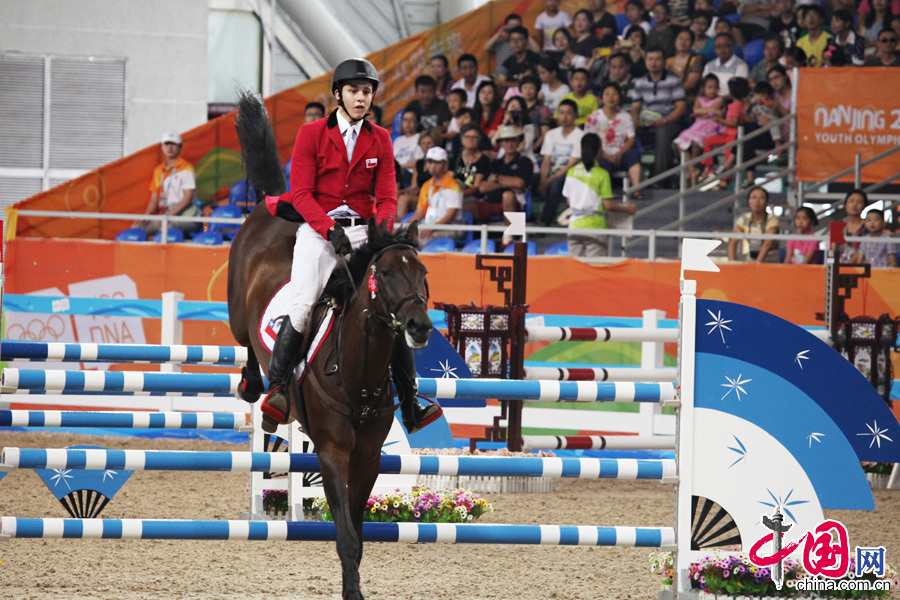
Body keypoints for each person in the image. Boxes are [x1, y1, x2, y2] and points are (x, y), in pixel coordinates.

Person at [261, 58, 439, 433]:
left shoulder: (381, 138)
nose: (362, 98)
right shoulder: (311, 133)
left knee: (388, 313)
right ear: (338, 94)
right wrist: (328, 229)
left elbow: (388, 196)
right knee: (304, 303)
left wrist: (383, 233)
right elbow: (301, 193)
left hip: (363, 232)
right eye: (355, 91)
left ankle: (410, 402)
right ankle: (278, 390)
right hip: (317, 229)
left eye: (367, 92)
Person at [563, 133, 636, 257]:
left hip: (574, 226)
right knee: (595, 269)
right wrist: (627, 209)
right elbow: (608, 205)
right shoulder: (602, 174)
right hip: (595, 227)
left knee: (575, 269)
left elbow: (569, 201)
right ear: (599, 151)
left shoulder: (571, 172)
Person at [629, 47, 688, 181]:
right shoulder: (640, 82)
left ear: (664, 62)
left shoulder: (674, 80)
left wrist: (665, 120)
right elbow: (635, 107)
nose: (653, 63)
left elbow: (681, 107)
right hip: (646, 123)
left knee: (662, 131)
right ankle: (635, 178)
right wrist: (635, 121)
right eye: (650, 59)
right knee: (627, 131)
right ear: (645, 61)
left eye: (657, 59)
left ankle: (660, 178)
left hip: (670, 122)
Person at [584, 83, 644, 197]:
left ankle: (637, 189)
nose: (611, 97)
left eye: (614, 94)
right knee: (601, 164)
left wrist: (620, 153)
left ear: (619, 97)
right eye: (607, 94)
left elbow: (631, 139)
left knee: (633, 155)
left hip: (621, 153)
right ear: (602, 97)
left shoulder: (626, 116)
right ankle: (606, 194)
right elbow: (589, 141)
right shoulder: (594, 117)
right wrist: (606, 155)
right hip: (601, 154)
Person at [140, 132, 201, 237]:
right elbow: (154, 199)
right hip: (166, 214)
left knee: (166, 228)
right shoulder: (158, 170)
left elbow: (188, 198)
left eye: (173, 144)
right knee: (137, 228)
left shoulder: (187, 168)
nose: (170, 147)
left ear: (180, 147)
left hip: (186, 215)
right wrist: (147, 216)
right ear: (162, 147)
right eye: (167, 144)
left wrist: (169, 216)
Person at [474, 126, 534, 231]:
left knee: (508, 195)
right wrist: (507, 183)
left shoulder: (525, 162)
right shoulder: (494, 163)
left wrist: (496, 178)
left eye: (513, 140)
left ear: (518, 141)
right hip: (490, 201)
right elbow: (482, 187)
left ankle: (510, 236)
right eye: (506, 140)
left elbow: (519, 184)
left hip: (515, 203)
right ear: (501, 143)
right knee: (464, 206)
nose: (510, 144)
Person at [698, 76, 751, 188]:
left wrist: (720, 120)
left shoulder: (737, 105)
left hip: (734, 135)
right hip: (727, 133)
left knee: (728, 156)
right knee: (708, 141)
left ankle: (724, 181)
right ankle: (709, 168)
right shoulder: (735, 103)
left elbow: (734, 123)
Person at [538, 99, 584, 225]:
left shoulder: (580, 136)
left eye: (568, 113)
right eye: (561, 113)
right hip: (552, 172)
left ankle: (545, 221)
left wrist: (548, 181)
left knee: (555, 184)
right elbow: (546, 160)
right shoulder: (551, 134)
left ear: (575, 116)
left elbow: (570, 165)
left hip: (570, 174)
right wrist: (543, 179)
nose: (564, 116)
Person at [673, 75, 724, 185]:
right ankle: (692, 170)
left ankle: (691, 172)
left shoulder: (719, 100)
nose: (712, 90)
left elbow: (707, 110)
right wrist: (705, 111)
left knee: (696, 142)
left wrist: (701, 111)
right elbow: (696, 111)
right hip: (697, 125)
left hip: (710, 126)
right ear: (704, 89)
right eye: (709, 87)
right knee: (679, 142)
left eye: (715, 88)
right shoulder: (699, 99)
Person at [409, 147, 464, 242]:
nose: (433, 166)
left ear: (446, 165)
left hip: (450, 227)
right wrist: (405, 227)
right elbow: (419, 213)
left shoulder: (453, 186)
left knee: (422, 240)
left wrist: (432, 228)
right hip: (429, 226)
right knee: (402, 237)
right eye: (430, 162)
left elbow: (450, 215)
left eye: (437, 162)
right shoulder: (426, 186)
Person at [727, 186, 780, 262]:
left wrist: (757, 264)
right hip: (752, 258)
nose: (757, 201)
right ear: (749, 201)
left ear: (767, 202)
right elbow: (733, 241)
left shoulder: (772, 218)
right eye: (753, 197)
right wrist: (732, 262)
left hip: (770, 260)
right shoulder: (745, 218)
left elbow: (768, 243)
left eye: (761, 198)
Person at [453, 124, 491, 201]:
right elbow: (449, 177)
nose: (470, 139)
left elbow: (476, 187)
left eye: (474, 137)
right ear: (462, 139)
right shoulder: (455, 157)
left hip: (473, 197)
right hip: (454, 192)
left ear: (479, 140)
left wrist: (459, 196)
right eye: (467, 137)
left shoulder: (483, 160)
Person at [666, 29, 705, 101]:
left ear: (692, 43)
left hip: (686, 98)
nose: (683, 42)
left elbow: (690, 84)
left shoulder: (696, 60)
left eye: (687, 40)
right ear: (675, 41)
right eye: (680, 38)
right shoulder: (668, 61)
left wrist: (671, 93)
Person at [393, 109, 423, 185]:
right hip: (396, 173)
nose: (408, 123)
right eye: (405, 120)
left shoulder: (420, 138)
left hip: (410, 174)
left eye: (411, 120)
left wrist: (399, 167)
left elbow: (418, 163)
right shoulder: (397, 140)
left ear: (417, 123)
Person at [840, 189, 870, 262]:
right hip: (839, 267)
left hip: (862, 267)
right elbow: (833, 250)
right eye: (851, 201)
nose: (854, 205)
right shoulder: (838, 226)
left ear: (864, 206)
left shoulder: (868, 226)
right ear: (846, 204)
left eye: (859, 202)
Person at [767, 65, 792, 143]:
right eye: (771, 80)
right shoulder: (774, 94)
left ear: (785, 77)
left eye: (777, 77)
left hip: (793, 135)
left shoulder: (795, 94)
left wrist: (779, 108)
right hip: (779, 135)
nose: (774, 82)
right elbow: (764, 101)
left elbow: (797, 121)